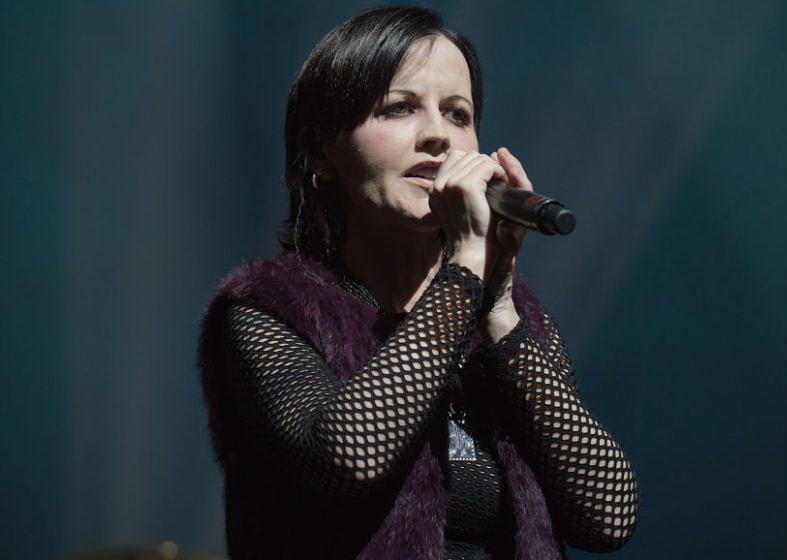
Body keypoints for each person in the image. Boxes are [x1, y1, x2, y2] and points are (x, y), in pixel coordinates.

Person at [198, 7, 640, 560]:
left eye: (458, 114)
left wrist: (499, 304)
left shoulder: (513, 317)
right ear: (320, 156)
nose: (437, 135)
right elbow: (346, 457)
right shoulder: (268, 307)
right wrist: (463, 269)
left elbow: (608, 516)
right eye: (400, 108)